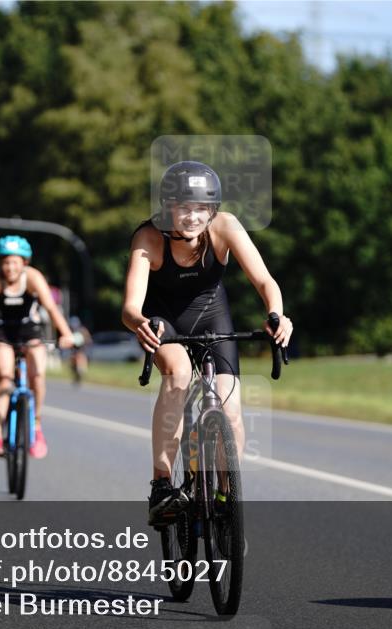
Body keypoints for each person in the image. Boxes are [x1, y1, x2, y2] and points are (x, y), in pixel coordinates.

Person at [121, 161, 293, 525]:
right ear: (168, 206)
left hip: (212, 316)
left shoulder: (225, 226)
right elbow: (130, 307)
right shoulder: (149, 238)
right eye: (184, 207)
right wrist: (140, 324)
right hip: (163, 321)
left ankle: (225, 496)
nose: (193, 217)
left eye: (202, 208)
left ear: (213, 209)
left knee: (231, 411)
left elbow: (265, 281)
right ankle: (162, 484)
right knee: (179, 373)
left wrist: (277, 315)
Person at [0, 235, 74, 459]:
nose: (10, 267)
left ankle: (36, 425)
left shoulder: (33, 277)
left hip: (29, 331)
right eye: (6, 262)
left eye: (15, 262)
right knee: (4, 377)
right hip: (3, 332)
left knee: (38, 374)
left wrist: (66, 334)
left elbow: (51, 308)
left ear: (24, 262)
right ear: (0, 263)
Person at [67, 315, 92, 386]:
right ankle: (75, 374)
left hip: (82, 349)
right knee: (72, 361)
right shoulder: (70, 331)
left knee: (81, 357)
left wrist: (84, 342)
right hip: (74, 350)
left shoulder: (83, 330)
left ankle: (81, 371)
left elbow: (88, 340)